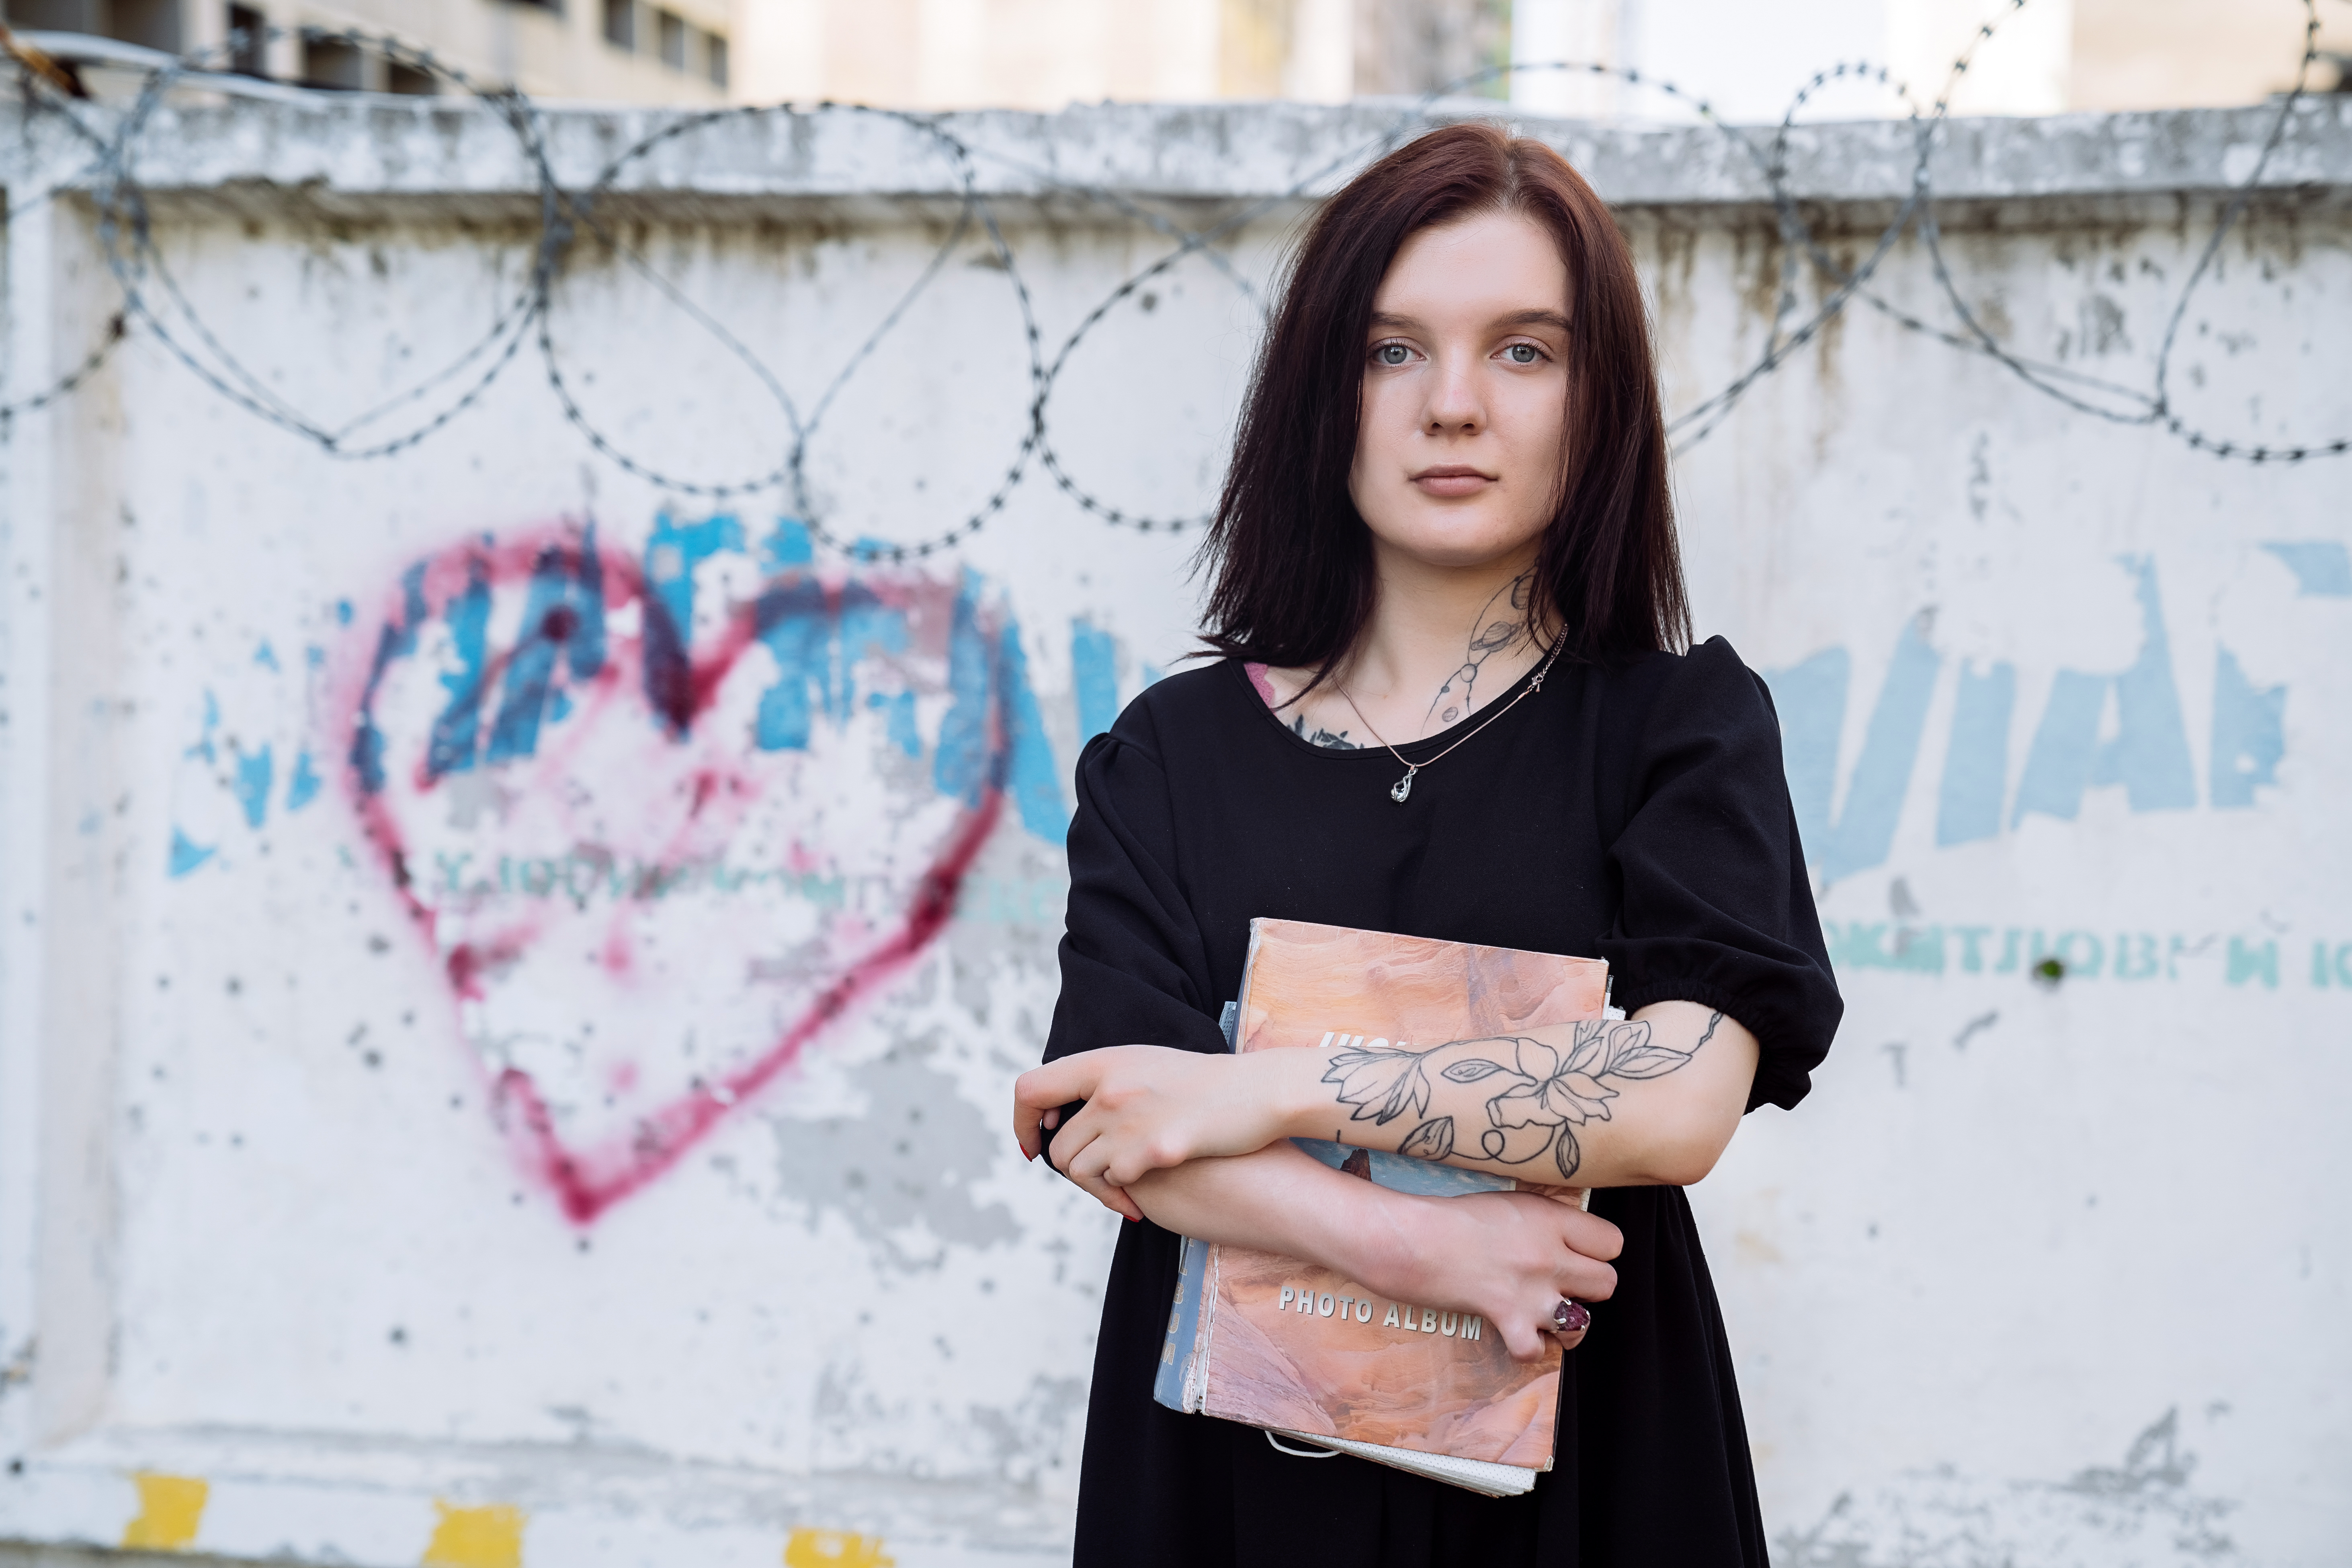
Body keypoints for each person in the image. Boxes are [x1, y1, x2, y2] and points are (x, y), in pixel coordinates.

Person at [1011, 122, 1841, 1567]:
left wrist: (1264, 1091)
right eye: (1392, 350)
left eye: (1524, 351)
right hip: (1225, 1490)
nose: (1452, 404)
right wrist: (1425, 1246)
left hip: (1586, 1473)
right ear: (1316, 395)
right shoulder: (1169, 755)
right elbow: (1122, 1125)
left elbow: (1676, 1104)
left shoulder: (1677, 731)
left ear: (1601, 403)